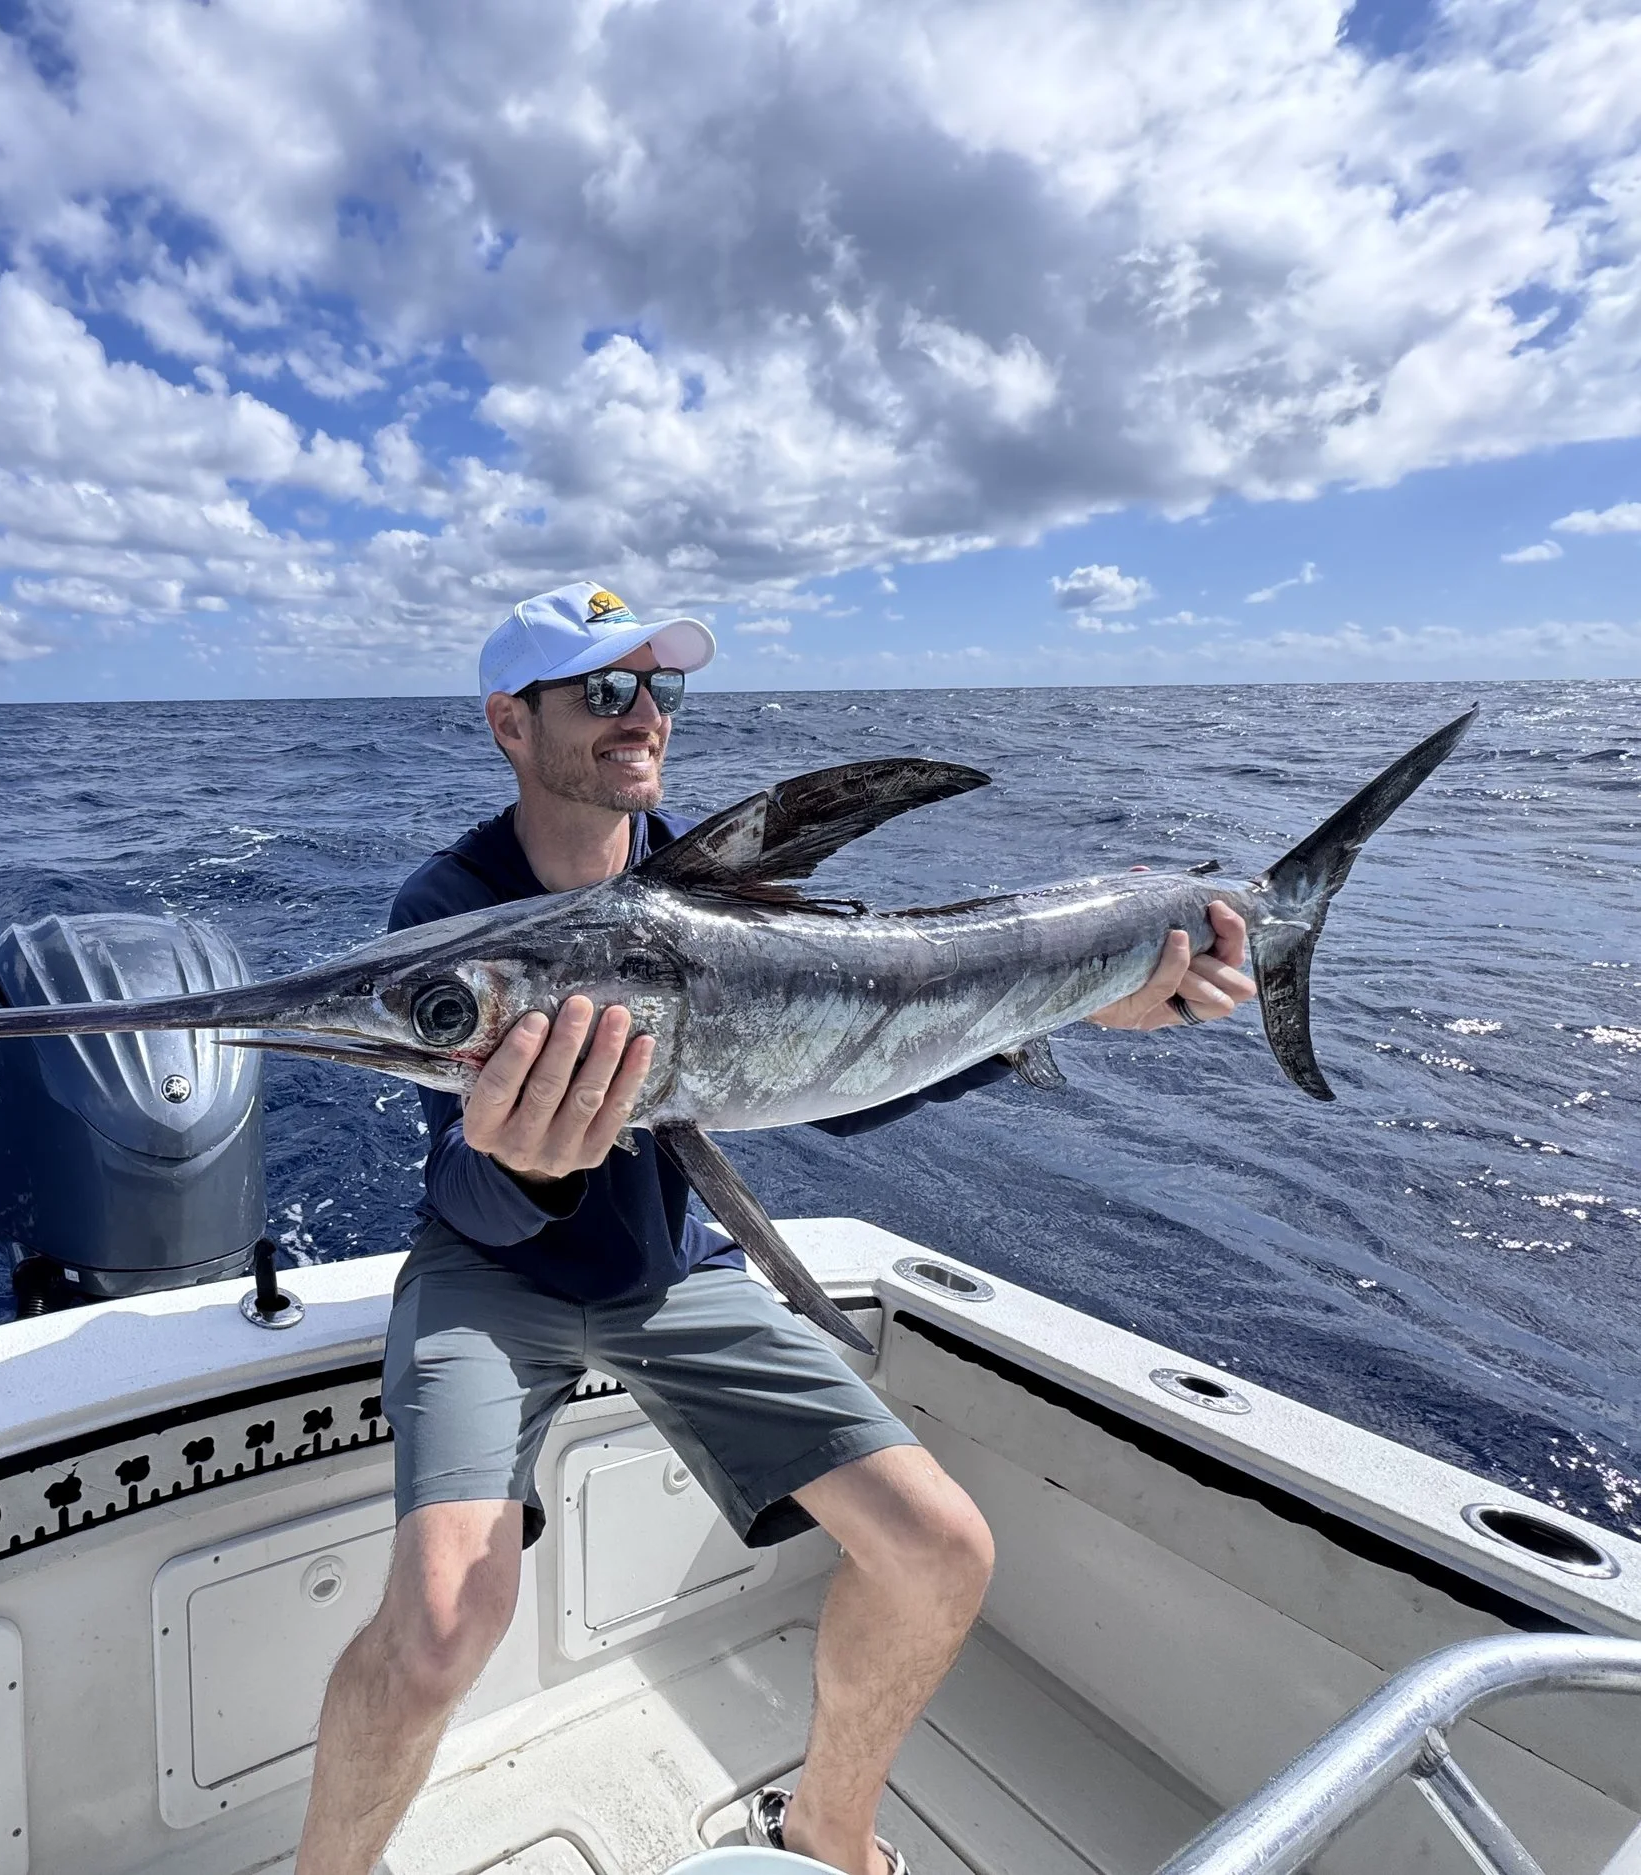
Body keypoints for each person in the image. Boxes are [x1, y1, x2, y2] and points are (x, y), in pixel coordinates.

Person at [293, 583, 1257, 1875]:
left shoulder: (716, 880)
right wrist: (524, 1168)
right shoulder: (451, 908)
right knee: (441, 1631)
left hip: (673, 1272)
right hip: (494, 1274)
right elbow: (468, 1197)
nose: (642, 715)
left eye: (661, 689)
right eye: (602, 690)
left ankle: (828, 1834)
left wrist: (1085, 1006)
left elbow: (835, 1071)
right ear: (508, 724)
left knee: (940, 1548)